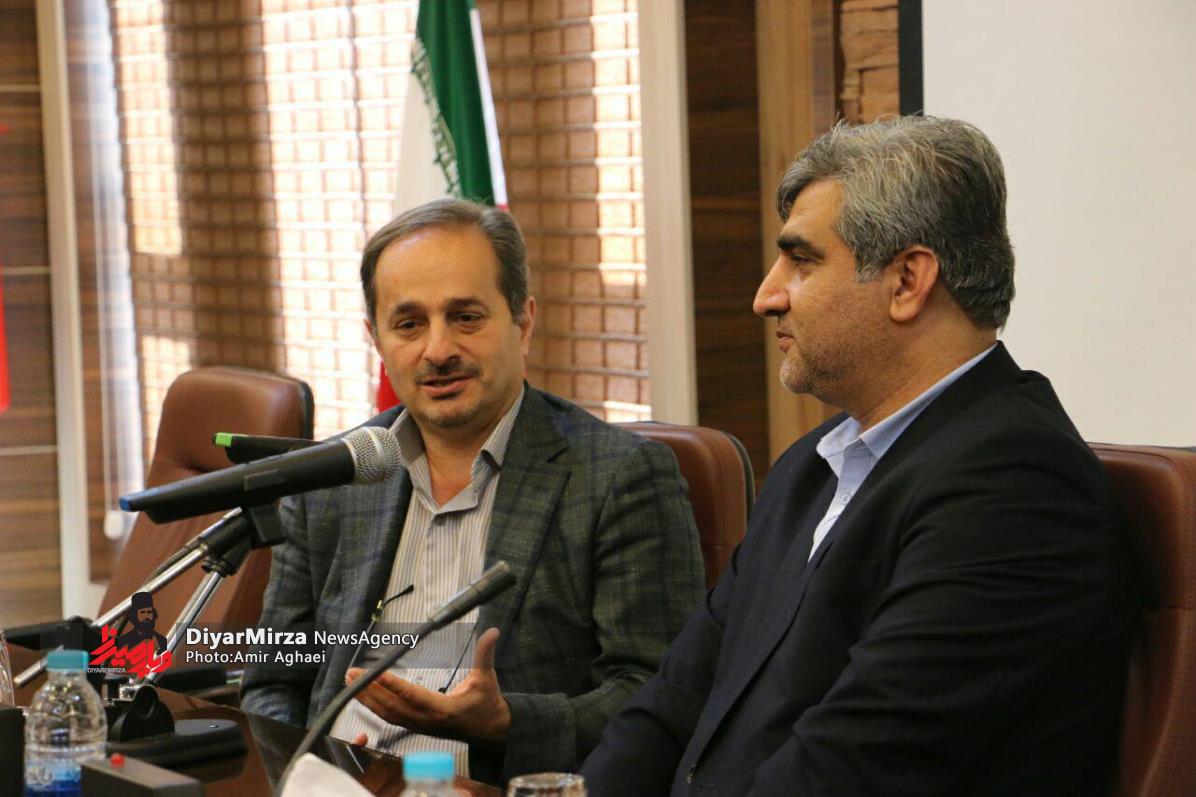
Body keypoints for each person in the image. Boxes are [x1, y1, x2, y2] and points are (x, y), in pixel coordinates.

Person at [581, 116, 1138, 795]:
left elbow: (853, 768)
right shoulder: (810, 466)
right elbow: (673, 704)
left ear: (907, 280)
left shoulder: (1017, 486)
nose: (765, 296)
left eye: (802, 261)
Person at [240, 198, 705, 784]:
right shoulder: (332, 479)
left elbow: (662, 694)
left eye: (465, 317)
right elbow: (274, 678)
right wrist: (306, 775)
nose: (438, 350)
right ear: (376, 339)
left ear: (523, 321)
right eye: (409, 324)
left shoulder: (617, 477)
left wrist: (506, 722)